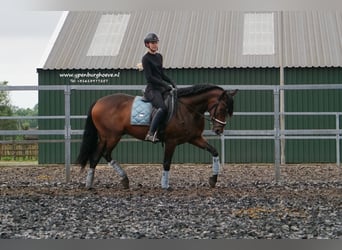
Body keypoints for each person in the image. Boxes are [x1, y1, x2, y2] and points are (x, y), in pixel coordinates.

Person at [142, 33, 176, 143]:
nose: (155, 44)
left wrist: (171, 81)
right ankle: (150, 133)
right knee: (162, 108)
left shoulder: (159, 56)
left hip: (161, 88)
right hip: (152, 89)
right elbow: (150, 77)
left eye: (156, 42)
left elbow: (161, 74)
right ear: (147, 44)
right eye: (152, 43)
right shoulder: (145, 59)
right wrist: (164, 84)